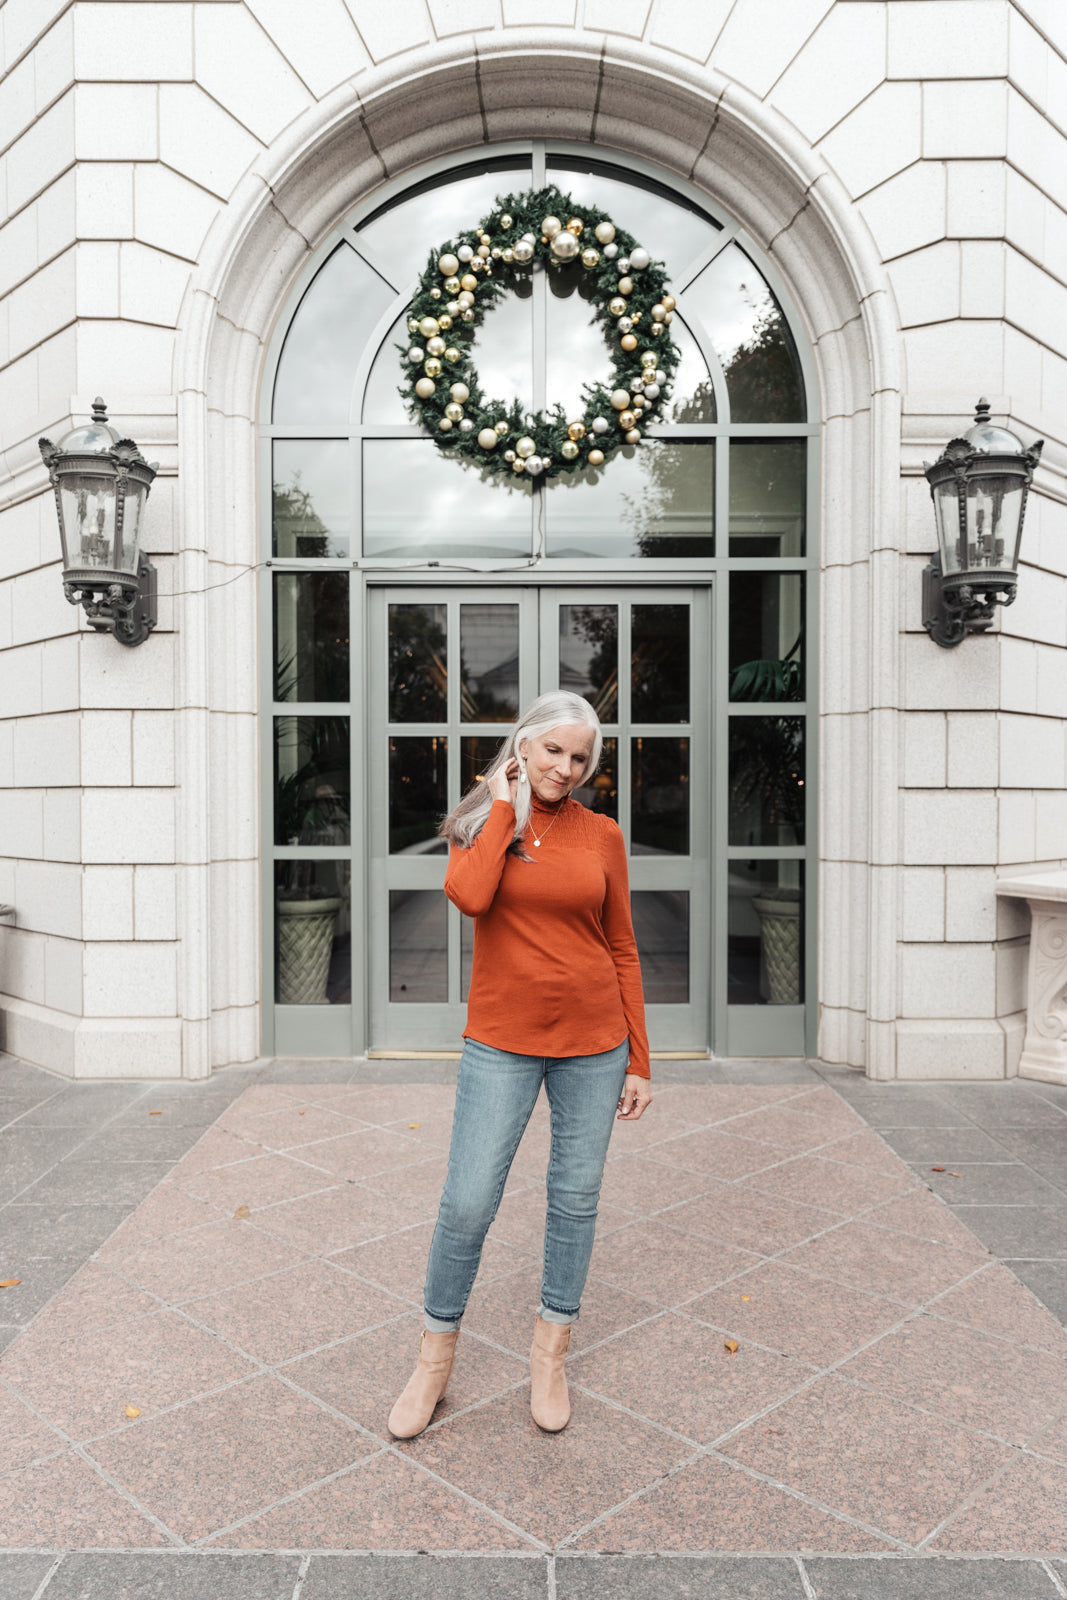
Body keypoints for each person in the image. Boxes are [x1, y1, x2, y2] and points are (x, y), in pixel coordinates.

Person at [388, 690, 652, 1440]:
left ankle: (549, 1357)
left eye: (579, 758)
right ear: (522, 748)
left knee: (573, 1198)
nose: (565, 768)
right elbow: (469, 899)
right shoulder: (478, 826)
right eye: (553, 752)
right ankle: (433, 1363)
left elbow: (623, 947)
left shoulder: (601, 835)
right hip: (500, 1041)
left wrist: (639, 1058)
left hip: (594, 1043)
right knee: (467, 1201)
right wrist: (503, 807)